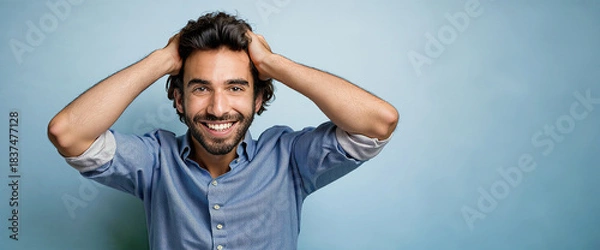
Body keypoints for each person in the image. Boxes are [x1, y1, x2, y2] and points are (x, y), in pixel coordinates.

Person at [48, 11, 398, 250]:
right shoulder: (155, 162)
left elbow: (378, 122)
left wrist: (272, 64)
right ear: (179, 100)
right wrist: (164, 59)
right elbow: (68, 133)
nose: (218, 108)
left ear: (259, 98)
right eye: (200, 88)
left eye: (235, 88)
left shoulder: (290, 159)